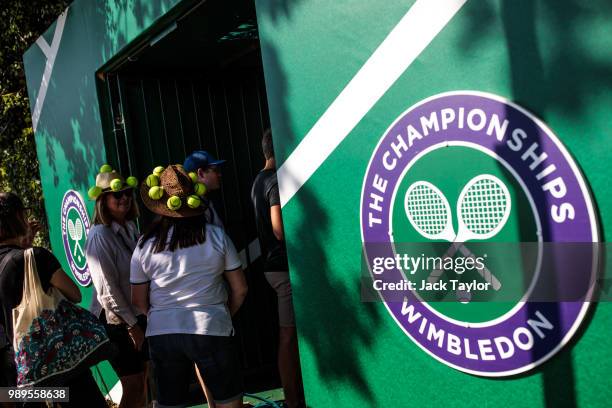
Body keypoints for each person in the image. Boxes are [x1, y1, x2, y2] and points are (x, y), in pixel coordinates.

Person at [131, 165, 248, 408]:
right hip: (212, 327)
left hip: (163, 333)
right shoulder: (217, 236)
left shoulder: (144, 244)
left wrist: (160, 316)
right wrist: (224, 315)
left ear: (159, 205)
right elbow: (240, 289)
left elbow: (138, 301)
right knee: (229, 403)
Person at [0, 192, 107, 407]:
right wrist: (30, 252)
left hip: (16, 372)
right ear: (20, 216)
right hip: (56, 362)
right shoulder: (35, 257)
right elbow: (74, 294)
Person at [251, 129, 305, 408]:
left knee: (291, 334)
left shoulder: (258, 179)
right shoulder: (273, 180)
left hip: (273, 268)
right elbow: (279, 229)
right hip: (283, 268)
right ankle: (293, 399)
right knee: (288, 335)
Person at [85, 168, 148, 408]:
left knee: (142, 381)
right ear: (103, 201)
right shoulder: (100, 235)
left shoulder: (131, 227)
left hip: (135, 316)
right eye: (116, 195)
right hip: (117, 322)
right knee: (132, 384)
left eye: (126, 192)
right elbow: (107, 290)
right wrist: (132, 324)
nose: (124, 198)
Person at [183, 150, 226, 228]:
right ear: (201, 174)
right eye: (216, 170)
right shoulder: (194, 208)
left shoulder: (204, 201)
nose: (220, 174)